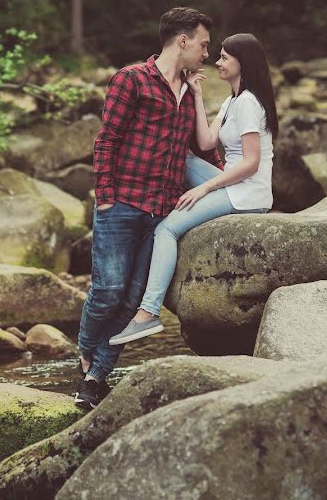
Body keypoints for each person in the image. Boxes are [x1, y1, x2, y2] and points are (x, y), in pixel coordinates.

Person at [75, 7, 222, 409]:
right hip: (121, 202)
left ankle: (93, 379)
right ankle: (85, 352)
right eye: (204, 44)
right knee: (107, 292)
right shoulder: (131, 79)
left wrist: (230, 180)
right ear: (183, 40)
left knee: (131, 300)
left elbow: (197, 148)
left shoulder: (190, 91)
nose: (207, 53)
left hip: (162, 211)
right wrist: (105, 196)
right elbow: (107, 140)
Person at [109, 32, 279, 346]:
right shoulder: (232, 101)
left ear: (243, 63)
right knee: (183, 157)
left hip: (247, 192)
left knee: (167, 230)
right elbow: (204, 143)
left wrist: (204, 190)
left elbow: (251, 163)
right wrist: (197, 97)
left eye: (225, 57)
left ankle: (148, 314)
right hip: (235, 183)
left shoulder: (249, 105)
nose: (218, 61)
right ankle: (149, 201)